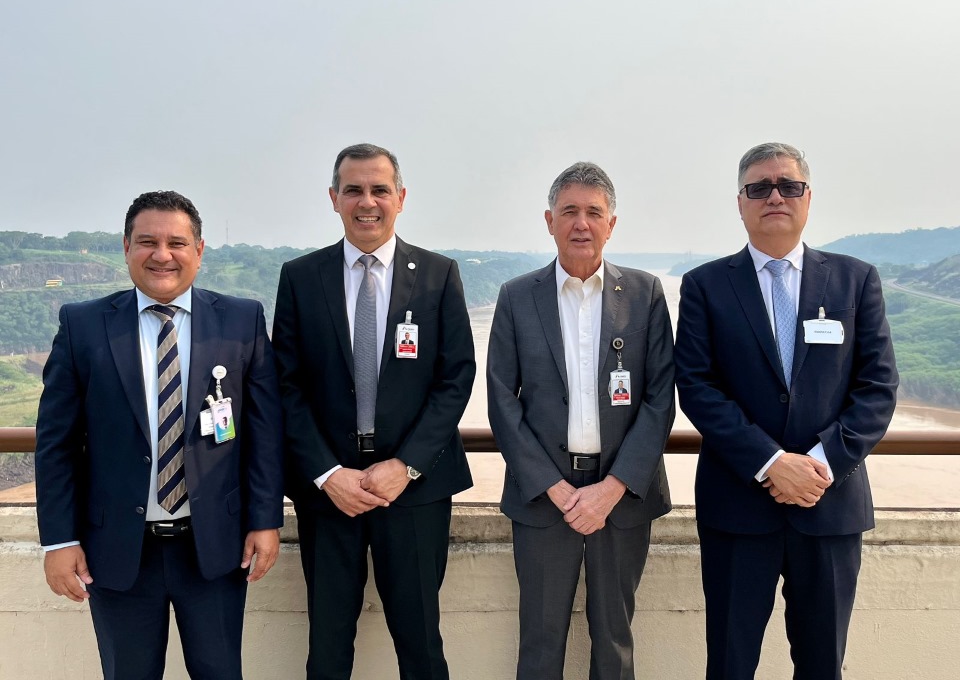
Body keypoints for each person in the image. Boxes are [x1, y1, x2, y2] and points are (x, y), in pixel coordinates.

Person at [34, 190, 285, 680]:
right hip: (118, 552)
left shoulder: (241, 319)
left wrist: (264, 520)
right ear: (126, 246)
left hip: (214, 547)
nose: (162, 254)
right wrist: (58, 540)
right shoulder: (83, 325)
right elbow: (56, 443)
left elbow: (263, 432)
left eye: (177, 242)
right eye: (147, 241)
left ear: (200, 250)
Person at [673, 142, 899, 679]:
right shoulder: (706, 286)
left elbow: (878, 386)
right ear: (741, 202)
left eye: (787, 185)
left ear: (807, 197)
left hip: (830, 504)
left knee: (823, 666)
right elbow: (698, 387)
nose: (774, 196)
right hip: (738, 508)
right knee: (730, 664)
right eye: (759, 187)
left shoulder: (854, 280)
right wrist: (773, 463)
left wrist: (818, 463)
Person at [273, 143, 475, 680]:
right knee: (328, 647)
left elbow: (455, 381)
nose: (368, 202)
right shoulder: (300, 277)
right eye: (354, 190)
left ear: (401, 198)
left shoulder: (438, 275)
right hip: (330, 492)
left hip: (414, 492)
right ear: (334, 198)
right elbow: (285, 386)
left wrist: (405, 466)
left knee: (421, 646)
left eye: (379, 190)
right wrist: (326, 473)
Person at [487, 161, 675, 680]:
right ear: (549, 220)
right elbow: (502, 401)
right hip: (545, 499)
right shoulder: (517, 296)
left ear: (612, 223)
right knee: (540, 645)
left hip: (622, 499)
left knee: (614, 644)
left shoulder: (644, 293)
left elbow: (660, 400)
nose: (581, 223)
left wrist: (611, 488)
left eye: (594, 212)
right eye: (569, 211)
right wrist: (554, 487)